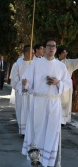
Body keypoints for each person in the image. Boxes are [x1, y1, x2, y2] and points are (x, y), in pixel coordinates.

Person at [22, 39, 72, 167]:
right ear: (44, 48)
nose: (51, 48)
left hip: (54, 102)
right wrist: (25, 84)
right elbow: (27, 81)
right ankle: (36, 158)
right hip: (39, 102)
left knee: (51, 131)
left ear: (56, 49)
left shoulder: (61, 66)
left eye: (54, 46)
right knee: (37, 130)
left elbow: (67, 84)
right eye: (49, 46)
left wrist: (57, 82)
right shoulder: (35, 64)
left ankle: (48, 160)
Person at [11, 46, 34, 135]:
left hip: (31, 93)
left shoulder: (34, 64)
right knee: (21, 111)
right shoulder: (17, 64)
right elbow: (13, 80)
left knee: (31, 112)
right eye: (32, 53)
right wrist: (22, 83)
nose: (33, 55)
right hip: (21, 93)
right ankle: (23, 131)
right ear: (27, 53)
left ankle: (30, 132)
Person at [56, 46, 78, 125]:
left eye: (66, 53)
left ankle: (63, 120)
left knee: (66, 103)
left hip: (67, 88)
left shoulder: (69, 62)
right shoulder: (54, 62)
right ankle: (57, 119)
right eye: (63, 53)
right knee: (57, 103)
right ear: (59, 54)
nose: (65, 54)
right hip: (57, 86)